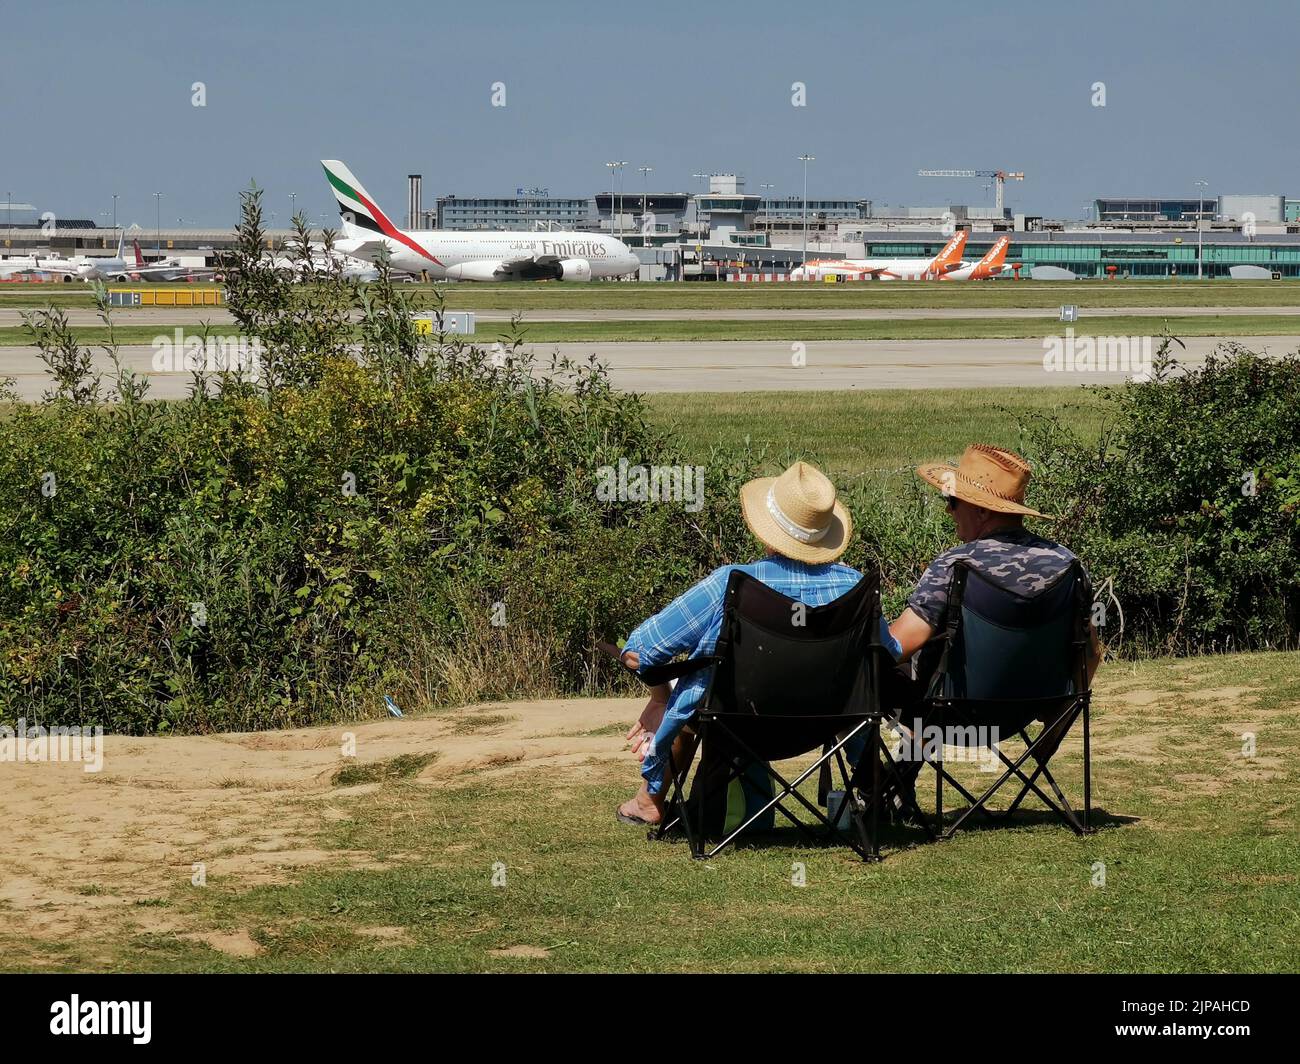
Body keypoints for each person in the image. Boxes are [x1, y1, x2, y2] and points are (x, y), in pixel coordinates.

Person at [615, 460, 901, 826]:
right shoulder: (855, 588)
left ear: (768, 532)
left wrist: (660, 697)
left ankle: (649, 799)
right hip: (825, 723)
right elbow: (887, 654)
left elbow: (639, 652)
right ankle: (876, 793)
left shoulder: (732, 584)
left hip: (736, 722)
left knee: (691, 688)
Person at [882, 444, 1102, 795]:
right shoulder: (1068, 564)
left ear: (981, 510)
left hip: (952, 714)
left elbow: (896, 646)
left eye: (953, 503)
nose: (950, 512)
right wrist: (1060, 711)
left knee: (883, 673)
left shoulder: (955, 566)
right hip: (1028, 709)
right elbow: (1090, 649)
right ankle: (893, 783)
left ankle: (880, 788)